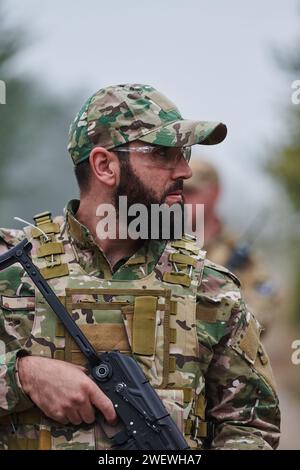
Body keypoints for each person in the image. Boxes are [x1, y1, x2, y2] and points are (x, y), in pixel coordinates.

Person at [0, 83, 280, 450]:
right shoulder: (11, 269)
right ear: (104, 166)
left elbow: (252, 428)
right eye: (164, 154)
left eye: (185, 153)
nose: (185, 170)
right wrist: (22, 376)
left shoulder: (211, 290)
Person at [183, 159, 281, 334]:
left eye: (191, 192)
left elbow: (263, 314)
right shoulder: (158, 246)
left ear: (214, 193)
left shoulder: (237, 253)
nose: (182, 199)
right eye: (178, 190)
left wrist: (215, 305)